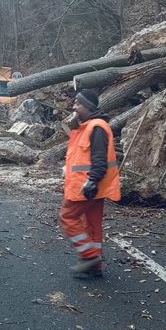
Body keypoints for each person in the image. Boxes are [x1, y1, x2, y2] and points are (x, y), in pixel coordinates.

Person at [60, 89, 121, 277]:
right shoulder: (89, 126)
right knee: (93, 225)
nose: (74, 106)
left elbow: (100, 160)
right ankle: (95, 267)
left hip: (87, 186)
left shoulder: (97, 127)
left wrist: (92, 181)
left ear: (88, 106)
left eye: (78, 104)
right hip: (94, 185)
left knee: (68, 217)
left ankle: (90, 255)